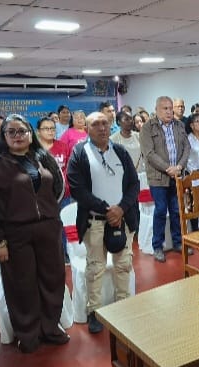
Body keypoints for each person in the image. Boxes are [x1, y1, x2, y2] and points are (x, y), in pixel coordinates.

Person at [0, 113, 68, 354]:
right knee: (22, 284)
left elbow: (58, 188)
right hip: (14, 233)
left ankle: (50, 328)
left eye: (22, 131)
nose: (17, 136)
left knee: (52, 280)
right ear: (3, 136)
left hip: (48, 229)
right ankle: (28, 334)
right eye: (11, 132)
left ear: (31, 134)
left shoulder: (43, 157)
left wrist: (48, 211)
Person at [67, 111, 140, 334]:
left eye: (105, 123)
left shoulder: (120, 151)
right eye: (96, 124)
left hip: (122, 219)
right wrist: (107, 210)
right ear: (86, 129)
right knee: (96, 268)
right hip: (95, 221)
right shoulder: (79, 153)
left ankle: (123, 305)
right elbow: (77, 189)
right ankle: (95, 311)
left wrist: (121, 208)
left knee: (123, 265)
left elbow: (134, 184)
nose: (102, 128)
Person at [139, 96, 191, 263]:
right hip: (158, 177)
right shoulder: (147, 128)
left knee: (176, 210)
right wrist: (168, 168)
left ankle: (178, 242)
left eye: (170, 108)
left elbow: (186, 147)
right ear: (156, 110)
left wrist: (179, 166)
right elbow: (149, 153)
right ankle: (157, 246)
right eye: (165, 108)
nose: (169, 111)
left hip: (177, 175)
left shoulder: (179, 125)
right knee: (161, 210)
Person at [37, 116, 73, 263]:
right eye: (46, 128)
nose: (50, 131)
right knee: (45, 226)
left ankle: (64, 253)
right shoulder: (34, 150)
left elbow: (69, 168)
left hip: (63, 194)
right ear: (38, 131)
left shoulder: (63, 146)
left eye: (52, 128)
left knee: (62, 224)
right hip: (41, 197)